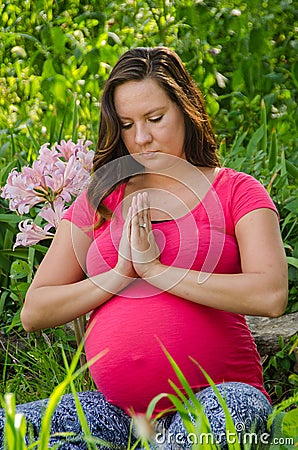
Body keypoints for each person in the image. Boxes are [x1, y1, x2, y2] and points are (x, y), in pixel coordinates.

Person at [0, 47, 288, 449]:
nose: (142, 138)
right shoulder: (100, 199)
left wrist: (158, 271)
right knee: (7, 427)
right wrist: (121, 273)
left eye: (155, 119)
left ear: (186, 109)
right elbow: (35, 310)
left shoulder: (235, 190)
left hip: (218, 398)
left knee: (233, 414)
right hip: (119, 414)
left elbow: (271, 294)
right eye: (127, 124)